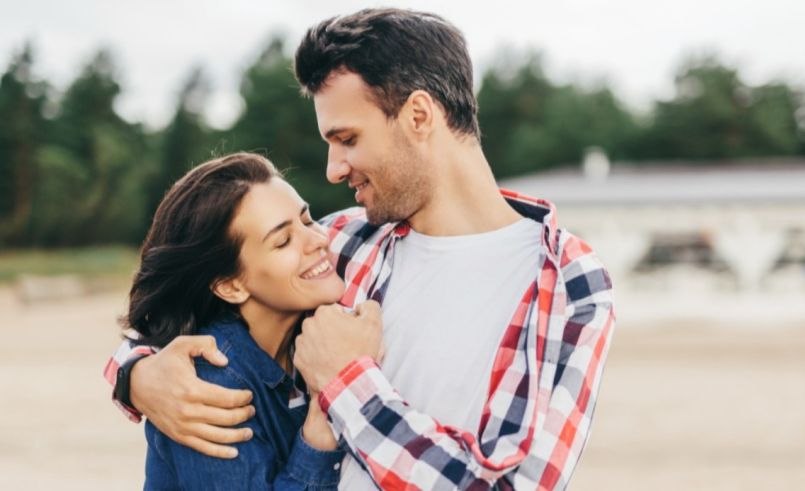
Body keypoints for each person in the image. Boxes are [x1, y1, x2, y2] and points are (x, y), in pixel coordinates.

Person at [105, 8, 616, 490]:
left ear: (418, 115)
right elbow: (204, 299)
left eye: (347, 138)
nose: (333, 168)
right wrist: (138, 374)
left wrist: (347, 384)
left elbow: (516, 484)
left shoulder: (569, 281)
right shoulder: (346, 241)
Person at [113, 152, 381, 489]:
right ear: (230, 285)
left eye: (308, 220)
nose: (319, 240)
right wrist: (324, 411)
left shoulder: (312, 339)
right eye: (283, 241)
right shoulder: (210, 385)